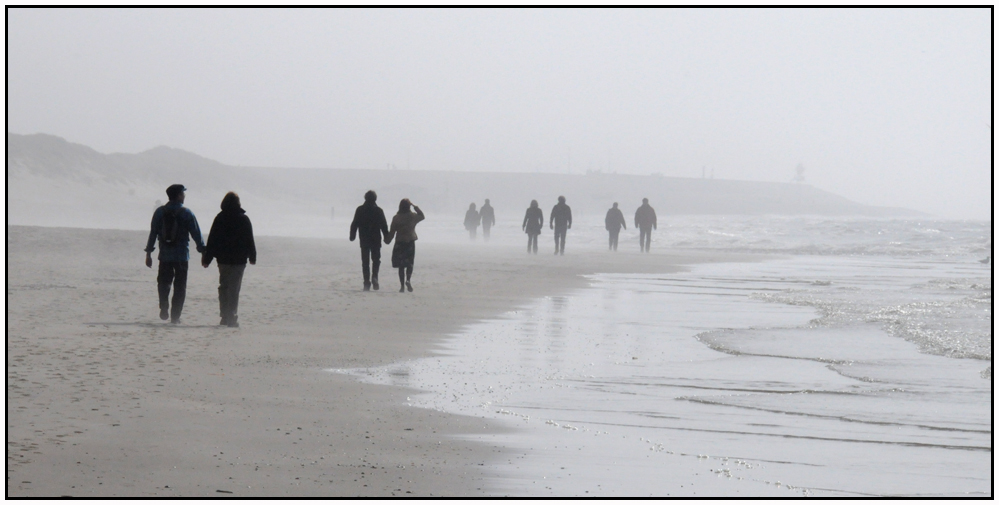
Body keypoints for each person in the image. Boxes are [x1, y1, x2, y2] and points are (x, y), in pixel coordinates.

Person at [144, 184, 206, 324]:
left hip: (165, 255)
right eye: (183, 194)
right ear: (178, 195)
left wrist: (148, 253)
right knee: (180, 286)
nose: (184, 196)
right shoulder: (187, 213)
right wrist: (203, 251)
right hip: (182, 256)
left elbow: (153, 233)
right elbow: (196, 233)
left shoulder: (160, 212)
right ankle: (175, 316)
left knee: (163, 283)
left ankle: (164, 306)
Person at [201, 192, 256, 328]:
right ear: (238, 203)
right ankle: (231, 315)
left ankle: (224, 315)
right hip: (239, 260)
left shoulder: (220, 218)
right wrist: (252, 256)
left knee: (224, 286)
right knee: (234, 288)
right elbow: (250, 239)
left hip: (223, 260)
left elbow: (212, 239)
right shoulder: (244, 219)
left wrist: (207, 258)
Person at [350, 190, 390, 291]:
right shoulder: (379, 210)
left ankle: (366, 282)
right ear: (375, 199)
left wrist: (352, 235)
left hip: (364, 239)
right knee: (376, 260)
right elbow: (384, 225)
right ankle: (375, 277)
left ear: (365, 198)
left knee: (365, 261)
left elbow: (354, 223)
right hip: (376, 239)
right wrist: (386, 237)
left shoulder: (360, 209)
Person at [386, 199, 425, 293]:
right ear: (408, 207)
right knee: (410, 263)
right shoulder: (413, 216)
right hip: (410, 242)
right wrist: (414, 206)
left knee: (401, 265)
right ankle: (408, 280)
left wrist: (387, 240)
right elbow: (422, 216)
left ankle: (402, 286)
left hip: (400, 242)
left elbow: (392, 232)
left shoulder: (396, 217)